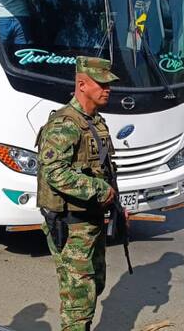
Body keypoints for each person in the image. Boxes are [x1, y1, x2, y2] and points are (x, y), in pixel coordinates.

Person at [36, 56, 119, 331]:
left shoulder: (94, 121)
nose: (108, 89)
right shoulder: (65, 124)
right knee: (78, 298)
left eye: (109, 84)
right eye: (102, 84)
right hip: (71, 222)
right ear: (82, 84)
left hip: (92, 218)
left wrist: (116, 202)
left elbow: (104, 168)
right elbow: (54, 172)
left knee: (95, 284)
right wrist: (98, 190)